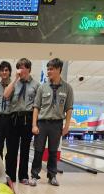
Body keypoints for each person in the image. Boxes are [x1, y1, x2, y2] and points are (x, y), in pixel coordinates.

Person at [31, 58, 74, 186]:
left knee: (53, 151)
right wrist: (34, 125)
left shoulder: (67, 88)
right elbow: (36, 107)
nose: (48, 71)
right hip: (42, 123)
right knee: (38, 150)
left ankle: (52, 176)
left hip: (57, 124)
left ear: (58, 70)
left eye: (51, 69)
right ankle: (34, 175)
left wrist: (67, 126)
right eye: (47, 69)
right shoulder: (42, 87)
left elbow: (69, 108)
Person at [3, 58, 39, 184]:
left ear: (28, 69)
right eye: (19, 67)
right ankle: (10, 176)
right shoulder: (15, 83)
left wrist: (34, 123)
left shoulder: (36, 85)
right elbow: (5, 95)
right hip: (13, 118)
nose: (20, 70)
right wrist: (14, 80)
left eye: (23, 67)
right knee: (11, 149)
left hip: (27, 118)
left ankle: (23, 176)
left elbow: (36, 106)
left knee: (25, 149)